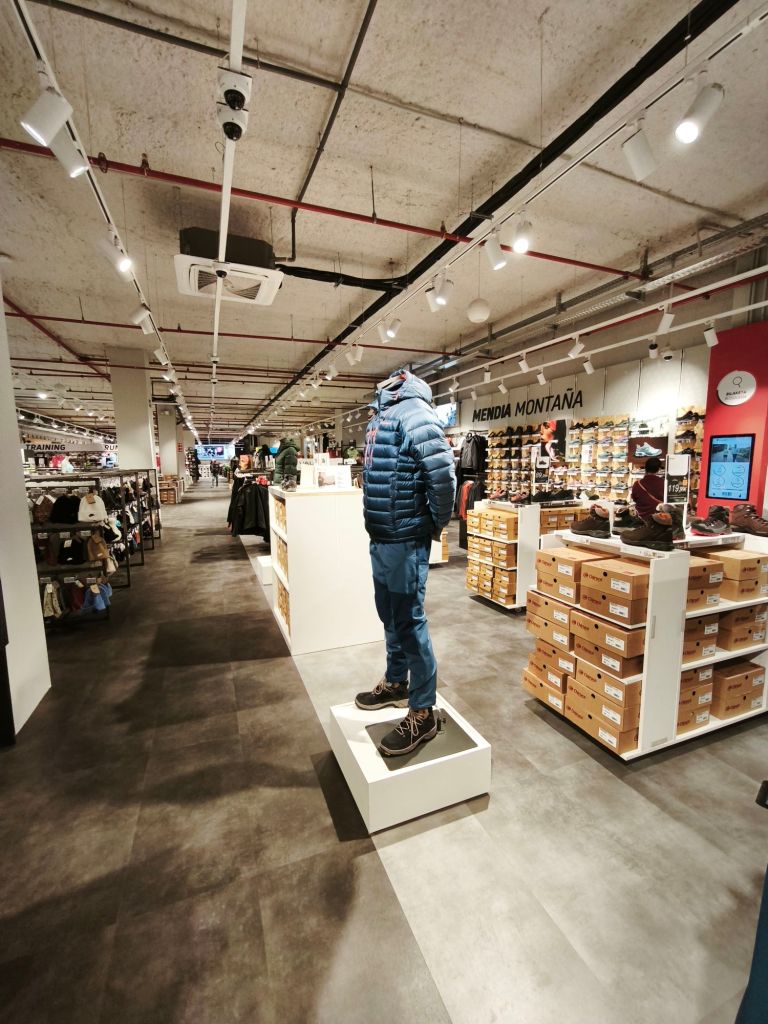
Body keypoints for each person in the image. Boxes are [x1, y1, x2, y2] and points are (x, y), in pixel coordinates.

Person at [355, 369, 456, 757]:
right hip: (382, 535)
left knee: (409, 621)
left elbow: (442, 476)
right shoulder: (381, 413)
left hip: (405, 537)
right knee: (390, 615)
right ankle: (396, 682)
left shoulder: (415, 411)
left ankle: (423, 710)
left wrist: (434, 524)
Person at [631, 456, 664, 520]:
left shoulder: (637, 484)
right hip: (657, 518)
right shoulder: (663, 483)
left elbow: (634, 499)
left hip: (640, 517)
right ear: (658, 469)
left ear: (645, 468)